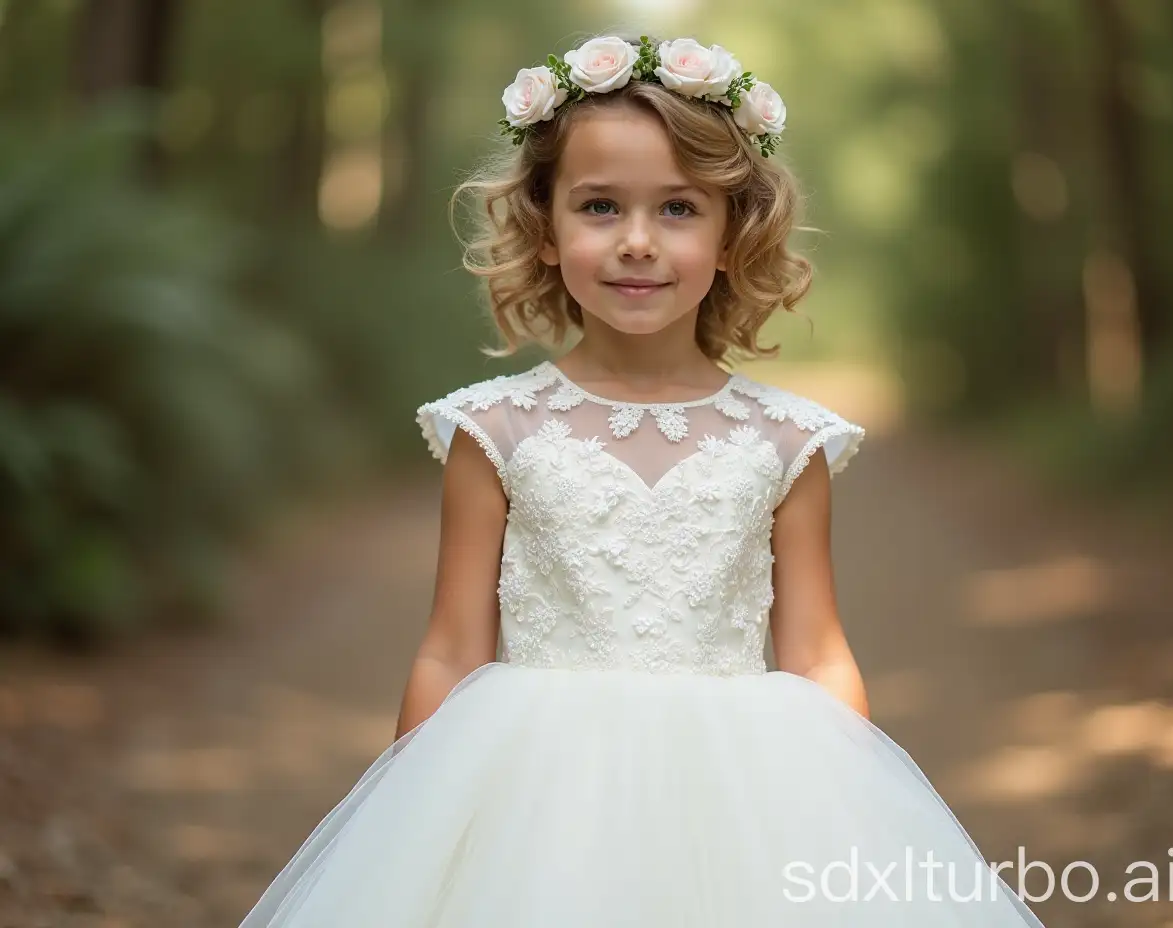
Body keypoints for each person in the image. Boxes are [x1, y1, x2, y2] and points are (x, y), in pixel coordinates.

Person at [236, 33, 1049, 926]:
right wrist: (405, 823)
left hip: (740, 795)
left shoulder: (787, 442)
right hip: (532, 802)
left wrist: (851, 814)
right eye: (598, 207)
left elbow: (816, 648)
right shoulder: (496, 430)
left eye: (676, 210)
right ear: (546, 231)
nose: (635, 242)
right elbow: (451, 645)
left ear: (733, 236)